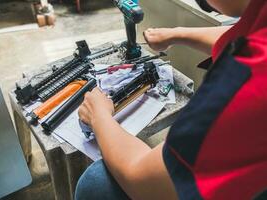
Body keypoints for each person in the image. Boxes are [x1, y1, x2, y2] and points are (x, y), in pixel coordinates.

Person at [75, 0, 267, 199]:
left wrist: (98, 116)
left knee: (96, 184)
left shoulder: (247, 80)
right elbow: (243, 35)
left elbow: (143, 181)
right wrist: (176, 34)